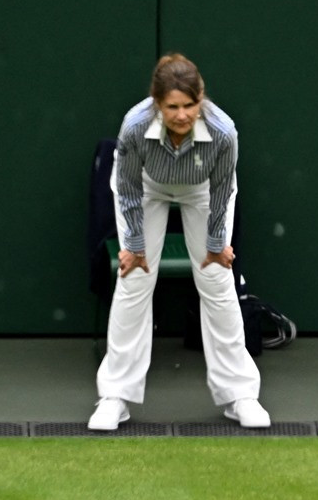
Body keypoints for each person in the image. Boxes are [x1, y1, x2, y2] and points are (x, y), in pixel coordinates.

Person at [89, 54, 270, 431]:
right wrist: (135, 248)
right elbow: (124, 189)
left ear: (201, 99)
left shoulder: (223, 132)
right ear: (157, 104)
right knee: (134, 280)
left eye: (189, 105)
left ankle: (241, 395)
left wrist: (217, 245)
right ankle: (114, 396)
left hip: (202, 189)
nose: (182, 114)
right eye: (172, 106)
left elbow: (222, 190)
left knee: (218, 282)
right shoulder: (135, 127)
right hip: (146, 187)